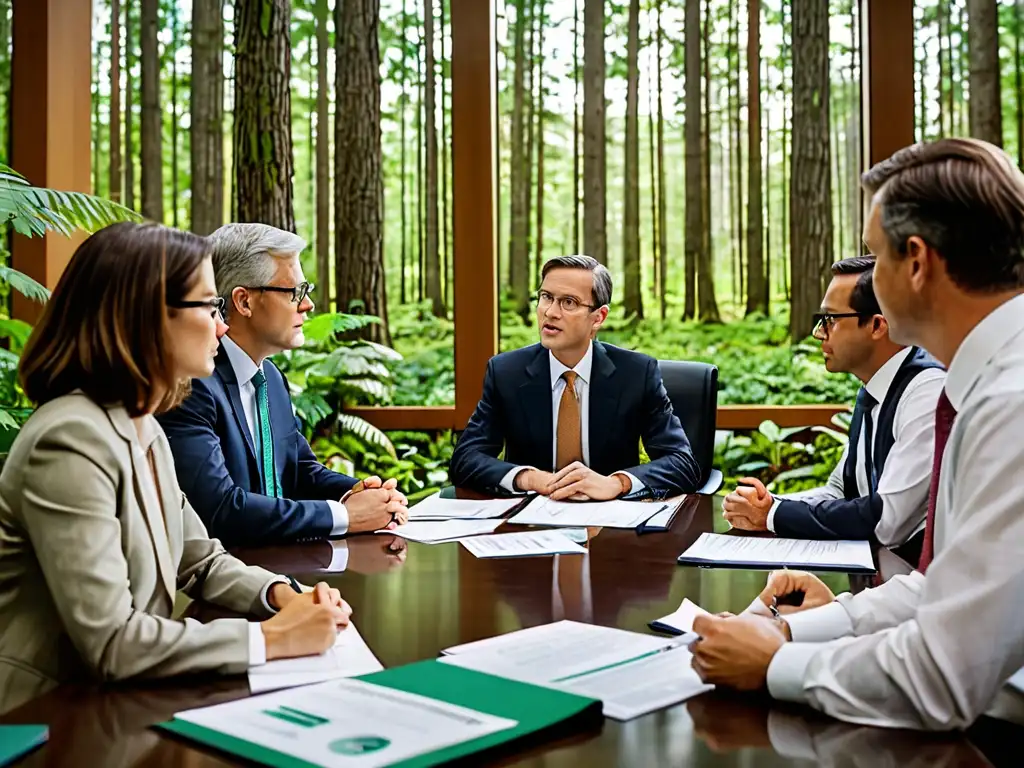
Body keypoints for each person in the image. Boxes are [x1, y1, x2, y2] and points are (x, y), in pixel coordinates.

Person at [689, 137, 1024, 731]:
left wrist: (776, 662)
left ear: (915, 262)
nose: (870, 272)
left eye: (876, 254)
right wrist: (807, 623)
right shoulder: (985, 387)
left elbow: (941, 679)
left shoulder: (1010, 405)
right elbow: (936, 587)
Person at [0, 223, 350, 714]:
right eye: (209, 307)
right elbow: (113, 643)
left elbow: (201, 560)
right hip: (48, 719)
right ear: (147, 318)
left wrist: (283, 595)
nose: (223, 326)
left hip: (122, 702)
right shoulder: (70, 439)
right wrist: (268, 641)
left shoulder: (141, 425)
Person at [157, 223, 407, 548]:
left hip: (283, 568)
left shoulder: (271, 378)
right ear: (244, 302)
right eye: (294, 293)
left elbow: (299, 469)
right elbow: (220, 511)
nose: (308, 305)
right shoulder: (192, 385)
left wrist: (362, 494)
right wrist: (345, 516)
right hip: (223, 579)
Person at [722, 257, 944, 563]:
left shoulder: (926, 392)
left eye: (831, 320)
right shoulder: (873, 388)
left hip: (921, 588)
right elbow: (840, 491)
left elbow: (888, 523)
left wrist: (773, 514)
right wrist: (769, 504)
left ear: (878, 325)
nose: (819, 333)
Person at [449, 254, 701, 500]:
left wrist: (616, 483)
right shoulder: (506, 372)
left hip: (611, 525)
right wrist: (530, 478)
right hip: (530, 524)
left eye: (568, 302)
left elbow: (681, 463)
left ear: (598, 317)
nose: (550, 312)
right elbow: (466, 459)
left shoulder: (636, 373)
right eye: (546, 297)